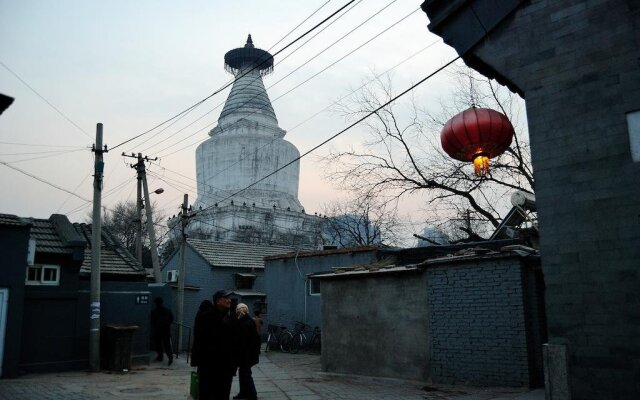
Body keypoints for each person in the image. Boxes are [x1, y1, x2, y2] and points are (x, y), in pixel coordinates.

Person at [192, 290, 236, 400]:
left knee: (223, 394)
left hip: (226, 367)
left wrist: (233, 365)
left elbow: (235, 342)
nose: (229, 300)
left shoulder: (232, 317)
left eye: (229, 298)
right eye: (226, 298)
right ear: (218, 301)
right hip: (209, 366)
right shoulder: (206, 317)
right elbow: (199, 340)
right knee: (207, 394)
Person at [232, 303, 260, 400]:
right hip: (247, 354)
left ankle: (252, 395)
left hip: (246, 355)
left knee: (246, 374)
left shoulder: (245, 323)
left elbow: (244, 342)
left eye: (238, 311)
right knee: (243, 373)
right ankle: (244, 393)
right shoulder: (247, 321)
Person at [150, 297, 174, 365]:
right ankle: (170, 357)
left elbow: (153, 321)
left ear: (156, 303)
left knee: (158, 344)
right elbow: (172, 319)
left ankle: (160, 356)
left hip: (158, 330)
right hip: (166, 330)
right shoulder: (168, 310)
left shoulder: (155, 312)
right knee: (167, 345)